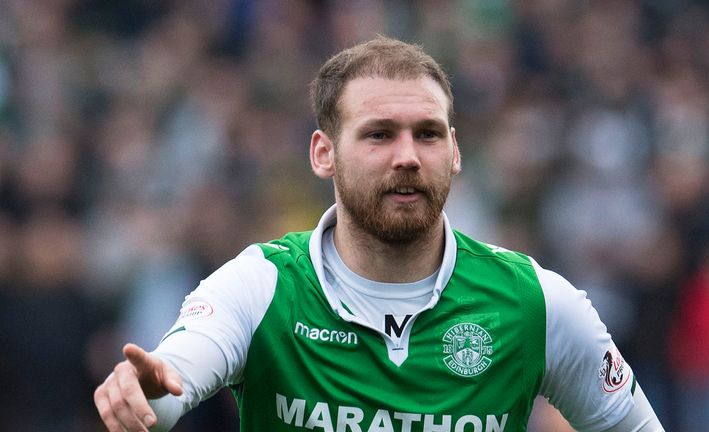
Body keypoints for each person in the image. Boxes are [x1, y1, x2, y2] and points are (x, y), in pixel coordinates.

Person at [94, 36, 664, 432]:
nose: (409, 157)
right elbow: (170, 384)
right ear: (324, 153)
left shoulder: (536, 303)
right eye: (379, 135)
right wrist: (141, 396)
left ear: (456, 151)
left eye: (428, 134)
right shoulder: (262, 285)